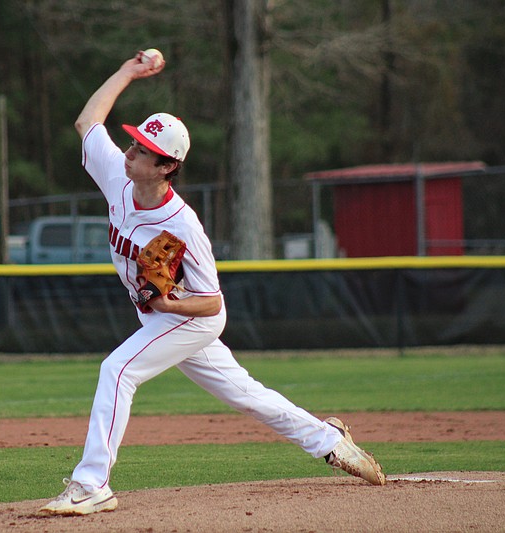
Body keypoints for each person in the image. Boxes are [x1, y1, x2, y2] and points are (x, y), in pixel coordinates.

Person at [39, 52, 385, 515]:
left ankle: (91, 483)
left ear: (165, 167)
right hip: (164, 316)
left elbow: (212, 303)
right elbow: (87, 121)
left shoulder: (183, 226)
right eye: (135, 142)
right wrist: (128, 71)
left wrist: (167, 301)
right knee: (247, 396)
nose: (131, 152)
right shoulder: (116, 177)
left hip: (193, 320)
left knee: (117, 370)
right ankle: (328, 440)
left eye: (143, 149)